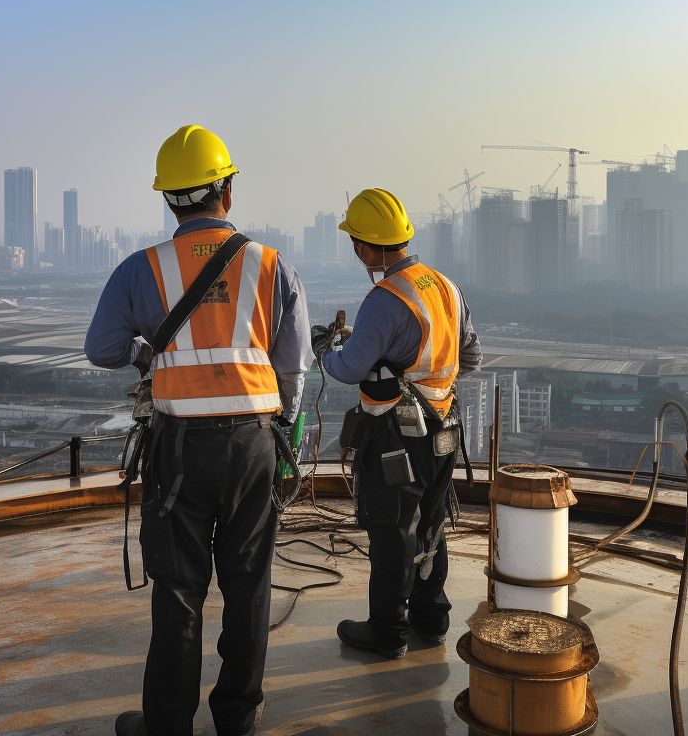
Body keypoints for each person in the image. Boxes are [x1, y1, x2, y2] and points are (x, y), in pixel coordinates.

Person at [85, 124, 312, 736]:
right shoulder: (271, 266)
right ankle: (237, 719)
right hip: (252, 446)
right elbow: (292, 367)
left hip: (179, 451)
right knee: (248, 587)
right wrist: (278, 427)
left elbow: (101, 347)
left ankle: (168, 724)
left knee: (180, 592)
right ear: (227, 193)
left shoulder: (143, 269)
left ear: (169, 199)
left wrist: (147, 356)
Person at [313, 187, 481, 659]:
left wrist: (325, 350)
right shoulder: (445, 286)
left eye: (356, 245)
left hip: (397, 438)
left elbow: (347, 369)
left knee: (391, 529)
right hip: (443, 425)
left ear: (365, 246)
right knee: (431, 520)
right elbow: (471, 354)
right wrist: (430, 383)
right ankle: (432, 616)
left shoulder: (385, 299)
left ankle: (387, 631)